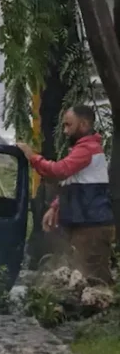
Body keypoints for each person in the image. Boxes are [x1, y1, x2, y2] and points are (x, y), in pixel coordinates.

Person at [17, 105, 115, 284]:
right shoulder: (83, 149)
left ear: (84, 124)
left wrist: (32, 156)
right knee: (81, 280)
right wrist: (55, 207)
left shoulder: (87, 149)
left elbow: (59, 171)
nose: (65, 131)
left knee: (94, 282)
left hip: (91, 226)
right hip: (84, 224)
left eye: (69, 125)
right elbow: (73, 183)